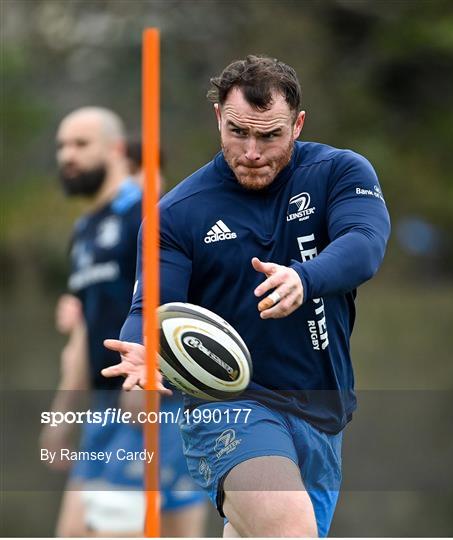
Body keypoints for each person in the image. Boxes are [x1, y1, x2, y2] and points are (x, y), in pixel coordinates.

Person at [102, 55, 391, 537]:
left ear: (297, 125)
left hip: (323, 413)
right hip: (230, 407)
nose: (252, 151)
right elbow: (149, 308)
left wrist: (305, 278)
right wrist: (142, 351)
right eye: (238, 132)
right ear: (218, 117)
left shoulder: (339, 173)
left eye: (270, 135)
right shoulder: (177, 216)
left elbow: (365, 244)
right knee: (289, 532)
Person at [41, 107, 207, 536]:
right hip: (104, 411)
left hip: (158, 407)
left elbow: (187, 304)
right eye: (61, 146)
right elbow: (84, 330)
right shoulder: (83, 232)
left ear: (116, 150)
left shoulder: (149, 214)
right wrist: (61, 416)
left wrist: (148, 374)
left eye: (80, 145)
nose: (67, 156)